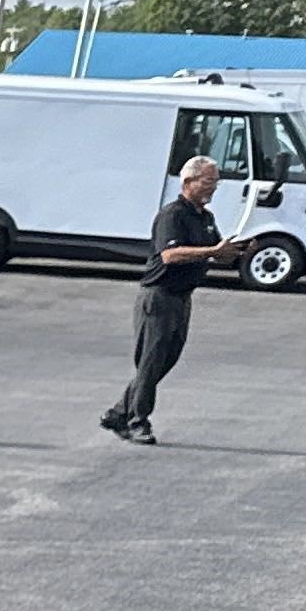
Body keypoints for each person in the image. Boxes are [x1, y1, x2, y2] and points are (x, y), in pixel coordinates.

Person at [99, 150, 255, 444]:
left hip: (182, 298)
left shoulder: (205, 218)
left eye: (216, 182)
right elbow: (170, 255)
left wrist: (238, 251)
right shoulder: (172, 215)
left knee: (166, 359)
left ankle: (118, 412)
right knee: (151, 360)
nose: (213, 187)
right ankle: (137, 421)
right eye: (208, 181)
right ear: (189, 181)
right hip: (158, 297)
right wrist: (211, 252)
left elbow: (216, 252)